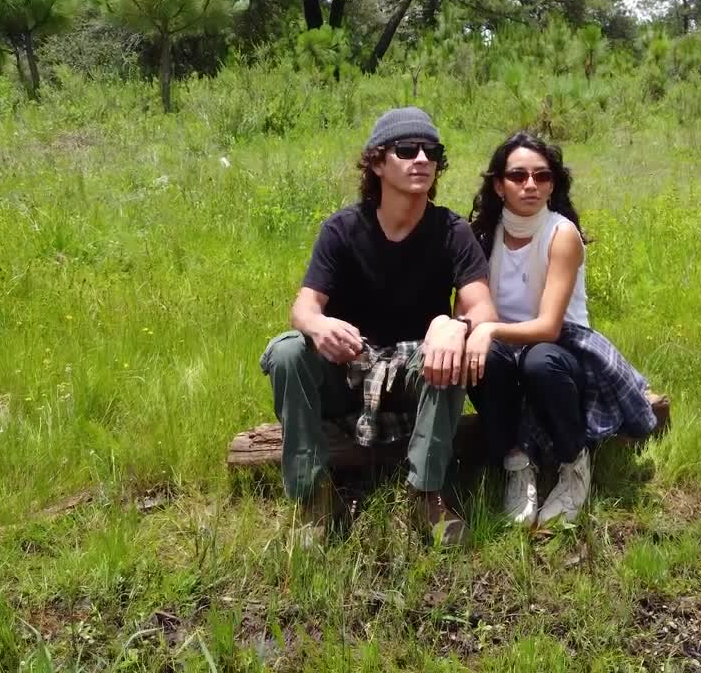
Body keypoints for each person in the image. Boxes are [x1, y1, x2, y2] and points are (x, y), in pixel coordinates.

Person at [260, 107, 496, 547]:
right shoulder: (343, 229)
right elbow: (304, 307)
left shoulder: (452, 231)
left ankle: (427, 494)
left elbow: (482, 310)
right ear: (376, 161)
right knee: (288, 349)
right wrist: (318, 325)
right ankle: (314, 497)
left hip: (414, 374)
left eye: (432, 151)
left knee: (451, 348)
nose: (421, 159)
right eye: (407, 150)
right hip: (349, 366)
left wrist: (454, 324)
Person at [464, 132, 657, 527]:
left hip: (561, 350)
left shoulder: (561, 234)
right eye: (518, 176)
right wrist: (475, 333)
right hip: (505, 348)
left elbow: (551, 327)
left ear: (554, 183)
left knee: (538, 361)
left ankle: (574, 465)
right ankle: (517, 466)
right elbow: (467, 311)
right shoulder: (482, 236)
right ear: (499, 185)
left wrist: (488, 331)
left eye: (542, 176)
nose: (530, 185)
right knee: (483, 353)